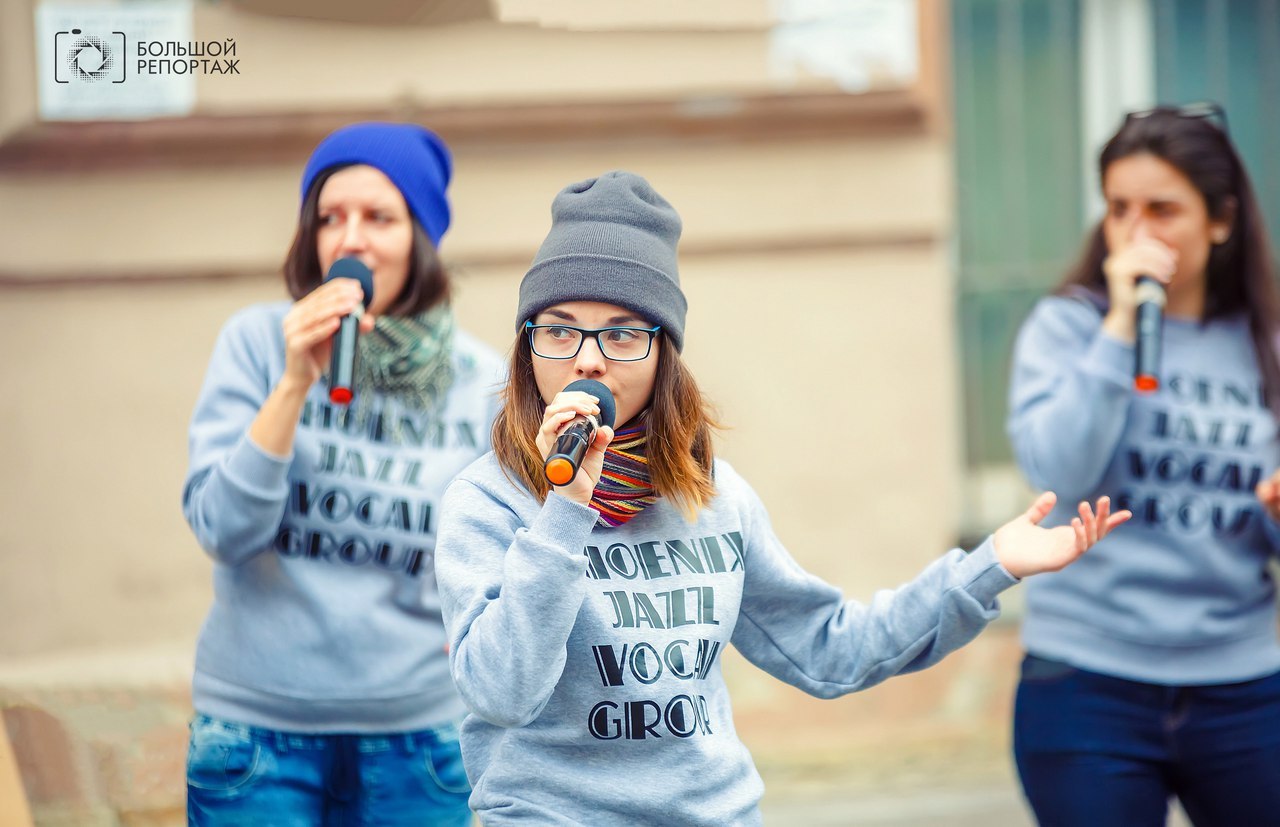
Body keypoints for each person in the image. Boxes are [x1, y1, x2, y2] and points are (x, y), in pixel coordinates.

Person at [433, 170, 1128, 825]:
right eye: (558, 329)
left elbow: (828, 648)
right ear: (526, 347)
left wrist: (990, 562)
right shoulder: (485, 505)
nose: (587, 358)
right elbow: (502, 692)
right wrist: (564, 514)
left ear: (663, 354)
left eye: (620, 333)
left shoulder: (714, 498)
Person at [181, 122, 504, 825]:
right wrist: (295, 383)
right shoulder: (258, 344)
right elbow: (224, 530)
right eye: (330, 217)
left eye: (378, 217)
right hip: (256, 742)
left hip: (419, 744)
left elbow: (503, 550)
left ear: (419, 237)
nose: (350, 238)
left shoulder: (484, 382)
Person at [1007, 103, 1280, 826]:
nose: (1137, 231)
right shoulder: (1068, 327)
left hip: (1242, 680)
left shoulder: (1267, 343)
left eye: (1163, 209)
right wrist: (1121, 329)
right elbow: (1059, 468)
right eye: (1119, 209)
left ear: (1220, 219)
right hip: (1088, 681)